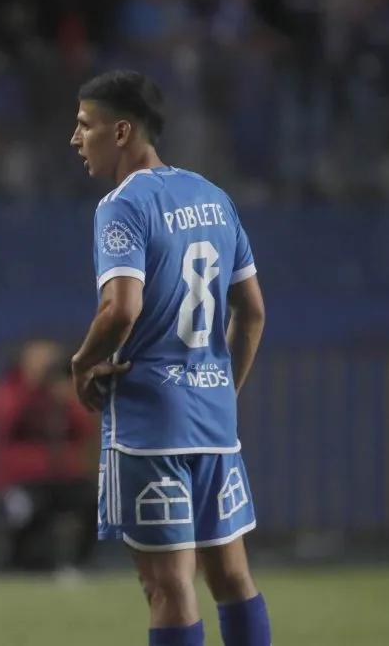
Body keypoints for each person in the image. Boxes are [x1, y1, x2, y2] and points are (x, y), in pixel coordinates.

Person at [68, 70, 269, 646]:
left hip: (150, 423)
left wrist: (81, 363)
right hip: (212, 421)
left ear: (123, 130)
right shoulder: (213, 196)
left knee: (168, 587)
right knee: (231, 575)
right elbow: (251, 311)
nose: (75, 138)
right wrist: (221, 390)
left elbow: (121, 309)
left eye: (86, 125)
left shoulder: (122, 205)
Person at [0, 340, 98, 573]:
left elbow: (84, 430)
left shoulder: (64, 390)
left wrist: (68, 398)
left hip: (63, 478)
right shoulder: (10, 388)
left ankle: (77, 565)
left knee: (96, 502)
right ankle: (17, 565)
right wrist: (32, 388)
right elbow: (5, 422)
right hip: (21, 481)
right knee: (25, 513)